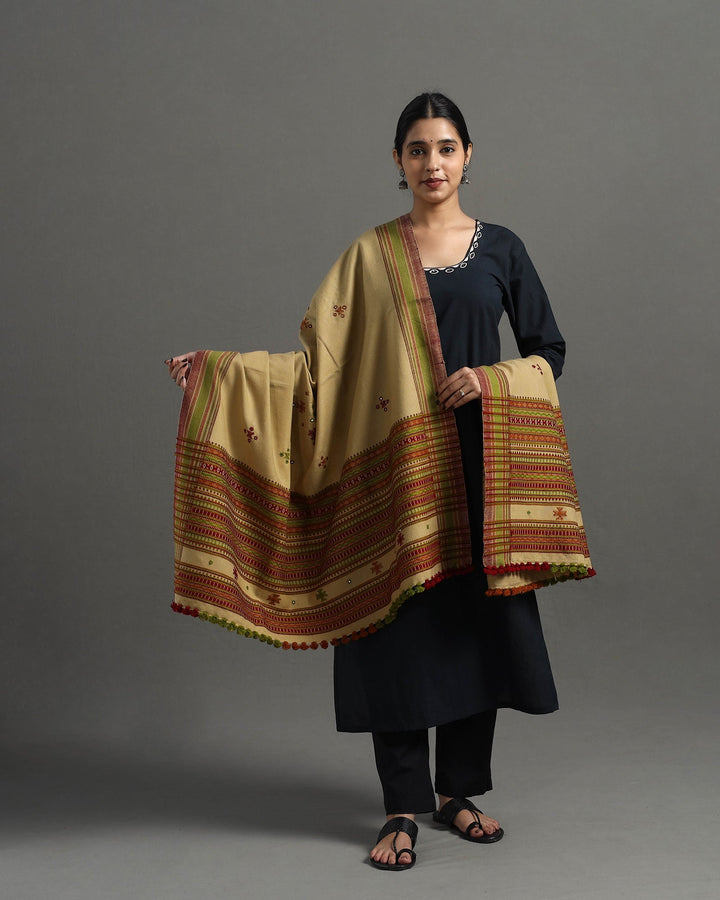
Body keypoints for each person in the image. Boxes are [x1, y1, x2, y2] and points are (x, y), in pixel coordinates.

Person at [166, 92, 592, 871]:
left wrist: (491, 380)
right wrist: (219, 372)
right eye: (418, 149)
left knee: (475, 630)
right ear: (398, 160)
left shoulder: (502, 249)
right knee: (393, 633)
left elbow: (549, 351)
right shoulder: (369, 257)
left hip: (480, 468)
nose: (433, 163)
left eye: (446, 148)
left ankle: (458, 792)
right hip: (393, 472)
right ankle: (400, 807)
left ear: (468, 156)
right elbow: (317, 372)